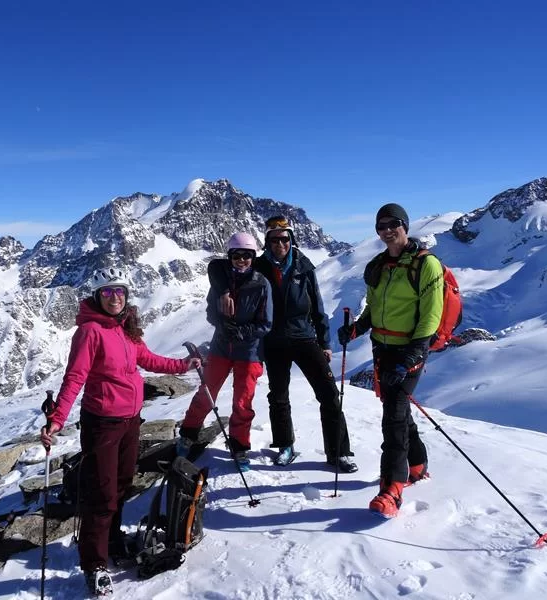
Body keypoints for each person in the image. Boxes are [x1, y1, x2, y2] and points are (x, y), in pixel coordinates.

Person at [39, 267, 201, 596]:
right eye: (107, 292)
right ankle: (94, 564)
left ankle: (112, 542)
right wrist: (57, 420)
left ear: (126, 296)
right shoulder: (90, 331)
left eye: (119, 292)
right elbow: (75, 377)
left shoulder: (126, 328)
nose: (114, 297)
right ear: (97, 296)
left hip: (130, 421)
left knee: (122, 484)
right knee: (101, 494)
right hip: (102, 423)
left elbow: (149, 360)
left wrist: (183, 366)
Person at [210, 217, 357, 471]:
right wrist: (223, 291)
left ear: (291, 240)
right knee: (279, 396)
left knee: (329, 393)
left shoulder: (303, 266)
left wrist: (325, 342)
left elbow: (317, 306)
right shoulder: (259, 265)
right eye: (274, 239)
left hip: (304, 337)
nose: (280, 244)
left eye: (284, 238)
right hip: (274, 340)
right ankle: (285, 445)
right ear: (267, 242)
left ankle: (338, 452)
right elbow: (216, 266)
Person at [337, 203, 443, 518]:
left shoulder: (426, 265)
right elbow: (373, 310)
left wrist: (411, 357)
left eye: (392, 224)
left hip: (409, 351)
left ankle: (391, 489)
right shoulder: (379, 266)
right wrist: (356, 329)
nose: (386, 231)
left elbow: (431, 316)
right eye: (380, 226)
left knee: (393, 418)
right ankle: (417, 465)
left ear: (405, 226)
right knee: (398, 410)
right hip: (382, 350)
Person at [177, 232, 272, 468]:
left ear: (253, 257)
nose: (242, 260)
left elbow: (265, 323)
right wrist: (223, 325)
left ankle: (239, 447)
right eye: (237, 255)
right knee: (206, 393)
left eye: (247, 255)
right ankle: (188, 435)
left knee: (242, 402)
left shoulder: (262, 284)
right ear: (230, 256)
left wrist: (241, 331)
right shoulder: (221, 283)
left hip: (249, 351)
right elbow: (211, 311)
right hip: (221, 347)